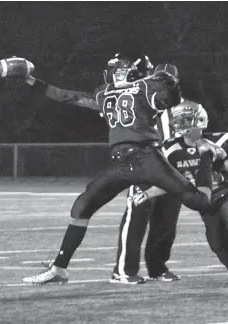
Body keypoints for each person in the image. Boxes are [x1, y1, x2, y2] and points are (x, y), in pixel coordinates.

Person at [15, 53, 216, 284]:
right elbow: (68, 97)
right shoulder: (113, 90)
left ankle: (207, 158)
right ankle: (59, 268)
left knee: (199, 202)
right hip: (124, 160)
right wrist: (30, 80)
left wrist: (172, 85)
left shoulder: (139, 87)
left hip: (146, 157)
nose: (113, 72)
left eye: (118, 68)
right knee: (82, 207)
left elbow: (170, 101)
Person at [111, 100, 228, 293]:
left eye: (186, 119)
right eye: (179, 120)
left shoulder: (221, 140)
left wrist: (220, 174)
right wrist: (147, 193)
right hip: (205, 205)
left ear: (200, 120)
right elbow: (171, 185)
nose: (180, 124)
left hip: (225, 196)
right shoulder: (170, 149)